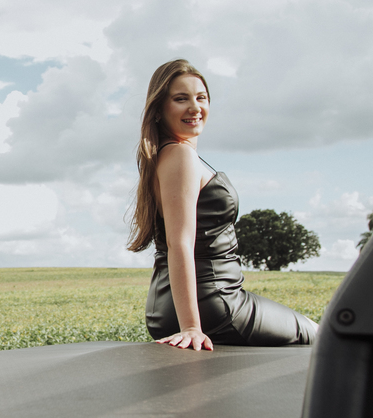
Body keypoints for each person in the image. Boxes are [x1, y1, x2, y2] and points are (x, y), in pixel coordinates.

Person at [127, 59, 317, 351]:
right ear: (159, 109)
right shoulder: (180, 156)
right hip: (215, 303)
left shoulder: (164, 157)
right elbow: (180, 243)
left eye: (201, 97)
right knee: (319, 332)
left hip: (165, 308)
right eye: (181, 99)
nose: (195, 107)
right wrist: (191, 327)